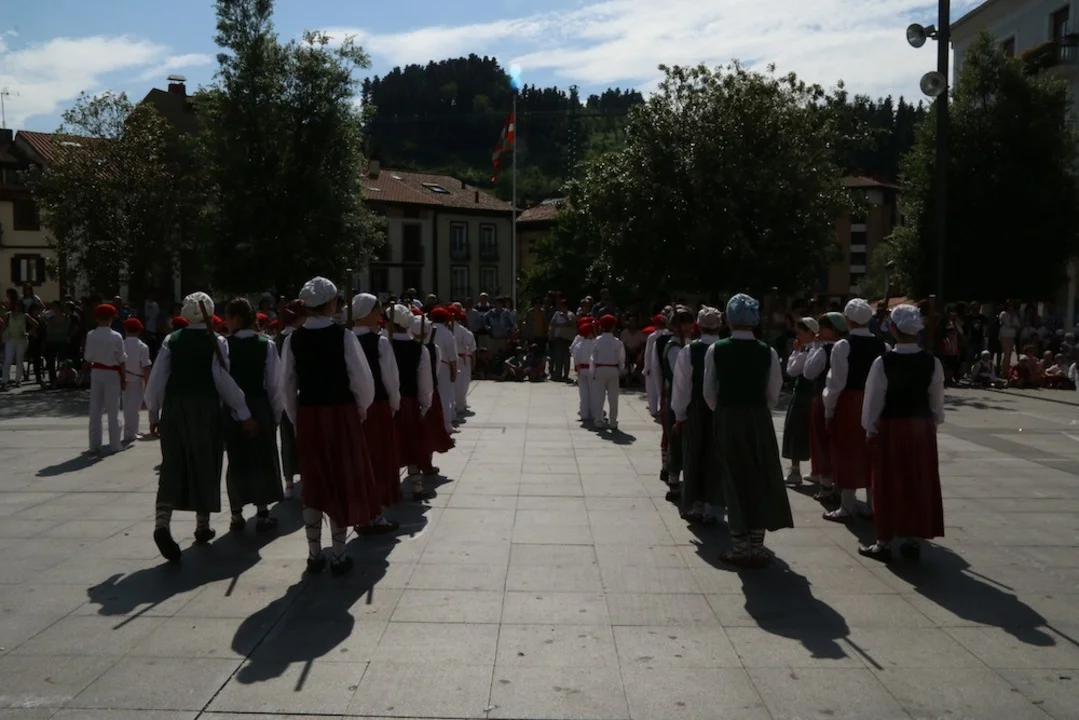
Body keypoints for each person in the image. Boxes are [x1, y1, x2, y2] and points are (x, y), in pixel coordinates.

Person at [145, 292, 255, 562]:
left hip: (174, 408)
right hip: (206, 408)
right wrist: (243, 411)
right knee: (206, 461)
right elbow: (222, 379)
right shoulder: (217, 341)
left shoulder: (172, 340)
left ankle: (162, 522)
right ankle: (202, 526)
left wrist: (154, 412)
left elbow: (158, 378)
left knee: (172, 463)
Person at [279, 277, 377, 575]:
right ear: (332, 303)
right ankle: (338, 555)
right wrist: (360, 410)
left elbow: (286, 386)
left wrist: (296, 418)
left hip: (309, 414)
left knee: (313, 482)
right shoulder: (344, 337)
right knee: (340, 480)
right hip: (341, 413)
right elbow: (362, 380)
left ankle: (314, 554)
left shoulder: (293, 339)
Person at [704, 293, 792, 567]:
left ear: (729, 319)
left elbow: (709, 391)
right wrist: (758, 407)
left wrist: (723, 409)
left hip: (728, 416)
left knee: (733, 477)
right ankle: (758, 545)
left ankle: (739, 547)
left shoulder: (716, 349)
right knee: (760, 476)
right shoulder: (768, 351)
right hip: (758, 418)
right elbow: (774, 391)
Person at [858, 304, 945, 561]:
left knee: (887, 482)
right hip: (921, 428)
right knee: (918, 480)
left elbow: (873, 400)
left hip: (892, 427)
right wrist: (932, 422)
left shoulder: (883, 362)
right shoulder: (932, 362)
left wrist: (870, 428)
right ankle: (914, 538)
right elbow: (936, 401)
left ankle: (883, 541)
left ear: (893, 328)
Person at [221, 297, 285, 534]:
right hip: (259, 405)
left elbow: (222, 381)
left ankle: (236, 514)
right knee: (262, 457)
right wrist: (275, 415)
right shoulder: (265, 344)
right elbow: (275, 385)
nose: (226, 323)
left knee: (237, 458)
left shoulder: (224, 346)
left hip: (232, 406)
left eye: (228, 318)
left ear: (237, 319)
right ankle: (262, 512)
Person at [822, 299, 887, 524]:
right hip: (874, 401)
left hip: (849, 402)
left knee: (847, 452)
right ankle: (872, 505)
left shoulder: (843, 345)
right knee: (871, 454)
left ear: (848, 319)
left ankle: (847, 506)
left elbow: (835, 383)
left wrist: (829, 411)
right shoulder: (883, 345)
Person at [352, 293, 401, 533]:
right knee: (378, 460)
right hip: (377, 406)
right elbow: (390, 378)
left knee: (360, 462)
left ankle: (363, 514)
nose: (380, 314)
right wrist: (394, 404)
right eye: (376, 310)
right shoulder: (379, 342)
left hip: (352, 409)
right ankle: (376, 514)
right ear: (366, 313)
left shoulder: (345, 339)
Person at [671, 306, 724, 524]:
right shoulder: (725, 348)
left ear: (698, 326)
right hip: (721, 408)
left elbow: (681, 386)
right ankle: (712, 506)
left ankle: (696, 505)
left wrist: (679, 415)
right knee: (715, 455)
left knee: (693, 455)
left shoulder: (688, 351)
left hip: (695, 407)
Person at [388, 304, 434, 500]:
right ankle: (416, 487)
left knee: (390, 446)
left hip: (389, 403)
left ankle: (392, 489)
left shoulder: (385, 345)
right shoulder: (419, 349)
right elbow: (426, 383)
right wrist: (424, 405)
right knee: (411, 444)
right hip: (410, 401)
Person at [804, 312, 846, 505]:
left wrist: (813, 347)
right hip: (845, 400)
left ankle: (826, 486)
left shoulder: (823, 350)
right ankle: (840, 485)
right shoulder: (847, 347)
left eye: (823, 327)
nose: (819, 330)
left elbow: (808, 372)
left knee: (821, 442)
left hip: (823, 398)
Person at [83, 304, 128, 454]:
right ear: (111, 318)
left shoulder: (91, 335)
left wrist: (82, 374)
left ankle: (94, 445)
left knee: (95, 410)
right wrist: (124, 378)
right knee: (113, 410)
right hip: (112, 373)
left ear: (96, 318)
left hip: (96, 372)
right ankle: (115, 444)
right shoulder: (116, 336)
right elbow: (121, 360)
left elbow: (87, 357)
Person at [661, 306, 694, 500]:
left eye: (689, 324)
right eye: (684, 324)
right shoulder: (673, 347)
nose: (687, 328)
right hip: (677, 397)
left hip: (690, 397)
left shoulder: (688, 344)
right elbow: (679, 376)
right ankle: (673, 476)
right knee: (676, 439)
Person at [782, 317, 819, 485]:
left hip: (803, 394)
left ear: (810, 333)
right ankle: (817, 470)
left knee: (795, 431)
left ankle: (795, 471)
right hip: (816, 395)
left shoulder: (807, 352)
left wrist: (796, 352)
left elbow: (792, 370)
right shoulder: (821, 350)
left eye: (801, 332)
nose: (798, 336)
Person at [274, 300, 305, 499]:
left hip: (284, 393)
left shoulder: (279, 338)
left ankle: (289, 481)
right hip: (298, 393)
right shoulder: (295, 338)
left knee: (287, 439)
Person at [590, 314, 626, 431]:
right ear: (613, 327)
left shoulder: (597, 341)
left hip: (600, 370)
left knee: (599, 396)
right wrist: (620, 370)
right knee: (613, 397)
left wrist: (593, 372)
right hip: (613, 370)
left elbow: (593, 358)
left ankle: (598, 420)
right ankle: (613, 421)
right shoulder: (617, 342)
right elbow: (621, 358)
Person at [121, 317, 152, 443]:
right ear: (139, 331)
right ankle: (130, 433)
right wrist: (148, 383)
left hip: (123, 378)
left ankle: (133, 430)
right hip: (137, 379)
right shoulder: (142, 346)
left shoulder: (121, 344)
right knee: (134, 407)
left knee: (127, 406)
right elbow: (145, 367)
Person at [429, 307, 458, 434]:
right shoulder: (447, 333)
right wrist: (454, 373)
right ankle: (446, 425)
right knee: (445, 396)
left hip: (428, 365)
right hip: (444, 366)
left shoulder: (426, 329)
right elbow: (452, 357)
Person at [1, 293, 37, 388]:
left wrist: (28, 333)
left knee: (19, 360)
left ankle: (18, 380)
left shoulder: (25, 315)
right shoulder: (8, 315)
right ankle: (4, 381)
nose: (17, 306)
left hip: (21, 340)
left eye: (19, 305)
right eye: (16, 304)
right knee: (8, 360)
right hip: (10, 340)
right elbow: (3, 327)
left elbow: (36, 324)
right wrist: (2, 337)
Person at [451, 304, 476, 415]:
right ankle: (459, 404)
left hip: (452, 358)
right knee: (462, 383)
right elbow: (472, 348)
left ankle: (459, 403)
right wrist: (474, 361)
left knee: (455, 383)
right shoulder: (464, 331)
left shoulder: (446, 329)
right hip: (461, 359)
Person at [643, 313, 669, 417]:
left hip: (653, 365)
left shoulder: (652, 336)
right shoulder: (668, 335)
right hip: (665, 365)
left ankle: (653, 409)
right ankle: (664, 408)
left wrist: (647, 367)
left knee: (652, 389)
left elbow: (648, 353)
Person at [571, 318, 596, 423]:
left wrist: (577, 368)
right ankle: (594, 413)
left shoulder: (578, 345)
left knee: (583, 393)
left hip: (582, 370)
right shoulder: (595, 344)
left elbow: (575, 358)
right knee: (593, 393)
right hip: (592, 370)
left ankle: (584, 414)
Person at [548, 298, 577, 382]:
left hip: (567, 338)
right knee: (558, 357)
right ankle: (558, 374)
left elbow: (570, 323)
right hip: (558, 337)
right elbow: (553, 323)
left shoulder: (570, 314)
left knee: (566, 357)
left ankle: (566, 375)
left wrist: (564, 319)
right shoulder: (557, 314)